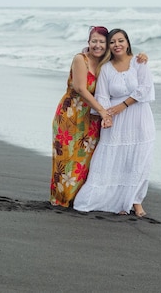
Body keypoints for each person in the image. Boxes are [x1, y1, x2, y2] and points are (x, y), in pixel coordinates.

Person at [50, 26, 147, 208]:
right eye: (94, 41)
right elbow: (80, 88)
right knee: (68, 159)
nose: (98, 45)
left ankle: (80, 198)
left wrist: (141, 57)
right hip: (72, 114)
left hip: (92, 118)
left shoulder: (105, 63)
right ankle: (62, 200)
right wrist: (103, 111)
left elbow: (124, 67)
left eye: (102, 42)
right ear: (88, 43)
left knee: (86, 161)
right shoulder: (81, 59)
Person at [73, 29, 156, 217]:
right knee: (113, 158)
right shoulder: (106, 69)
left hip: (140, 116)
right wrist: (106, 116)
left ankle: (136, 202)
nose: (117, 44)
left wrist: (123, 105)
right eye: (112, 42)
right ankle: (117, 200)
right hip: (115, 118)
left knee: (139, 160)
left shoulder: (139, 62)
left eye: (121, 40)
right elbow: (102, 95)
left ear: (127, 43)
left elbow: (145, 88)